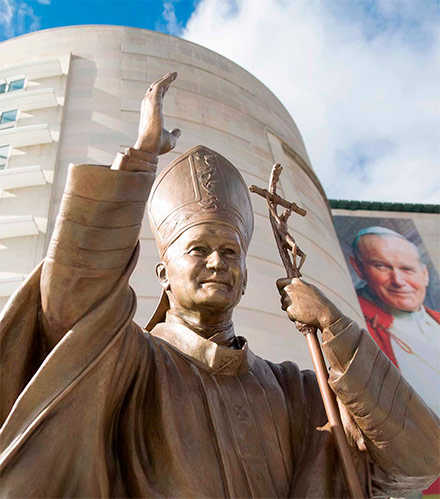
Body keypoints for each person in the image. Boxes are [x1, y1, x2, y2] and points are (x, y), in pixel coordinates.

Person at [0, 73, 438, 498]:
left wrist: (336, 327)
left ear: (244, 277)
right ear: (163, 274)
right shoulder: (131, 361)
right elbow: (72, 301)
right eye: (198, 249)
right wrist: (138, 161)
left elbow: (419, 463)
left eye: (230, 252)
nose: (217, 263)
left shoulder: (299, 391)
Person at [350, 226, 440, 418]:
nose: (398, 281)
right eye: (382, 266)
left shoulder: (436, 319)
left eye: (407, 269)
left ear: (424, 275)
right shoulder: (353, 320)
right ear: (358, 268)